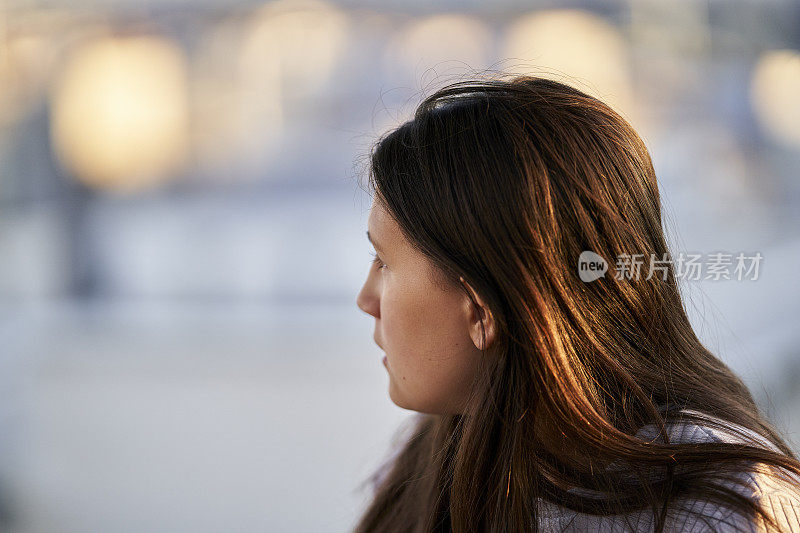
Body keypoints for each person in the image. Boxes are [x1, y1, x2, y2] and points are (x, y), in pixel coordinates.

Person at [354, 75, 800, 532]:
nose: (366, 300)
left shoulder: (727, 509)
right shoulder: (432, 459)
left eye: (382, 261)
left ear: (479, 307)